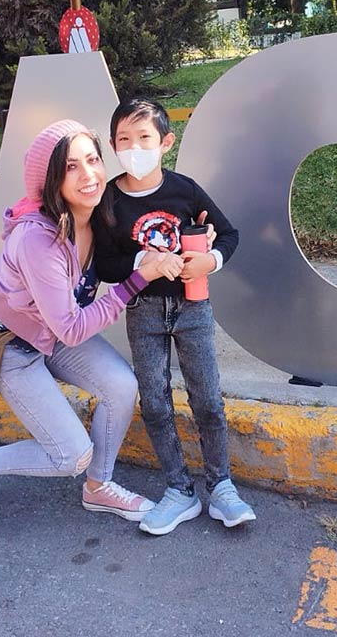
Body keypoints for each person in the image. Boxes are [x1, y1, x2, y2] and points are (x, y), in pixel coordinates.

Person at [0, 119, 184, 531]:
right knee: (70, 456)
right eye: (71, 167)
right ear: (50, 180)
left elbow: (156, 225)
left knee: (121, 386)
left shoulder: (96, 213)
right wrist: (138, 279)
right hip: (8, 347)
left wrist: (202, 237)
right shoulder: (38, 240)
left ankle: (99, 485)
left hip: (52, 331)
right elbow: (74, 330)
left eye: (92, 159)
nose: (89, 174)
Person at [96, 98, 255, 536]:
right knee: (155, 399)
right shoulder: (108, 200)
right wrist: (141, 259)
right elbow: (103, 266)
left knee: (207, 398)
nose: (134, 147)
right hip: (142, 310)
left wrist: (212, 261)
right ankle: (178, 489)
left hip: (193, 306)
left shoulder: (184, 189)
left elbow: (229, 233)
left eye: (144, 137)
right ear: (113, 145)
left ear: (165, 142)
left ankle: (221, 486)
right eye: (124, 139)